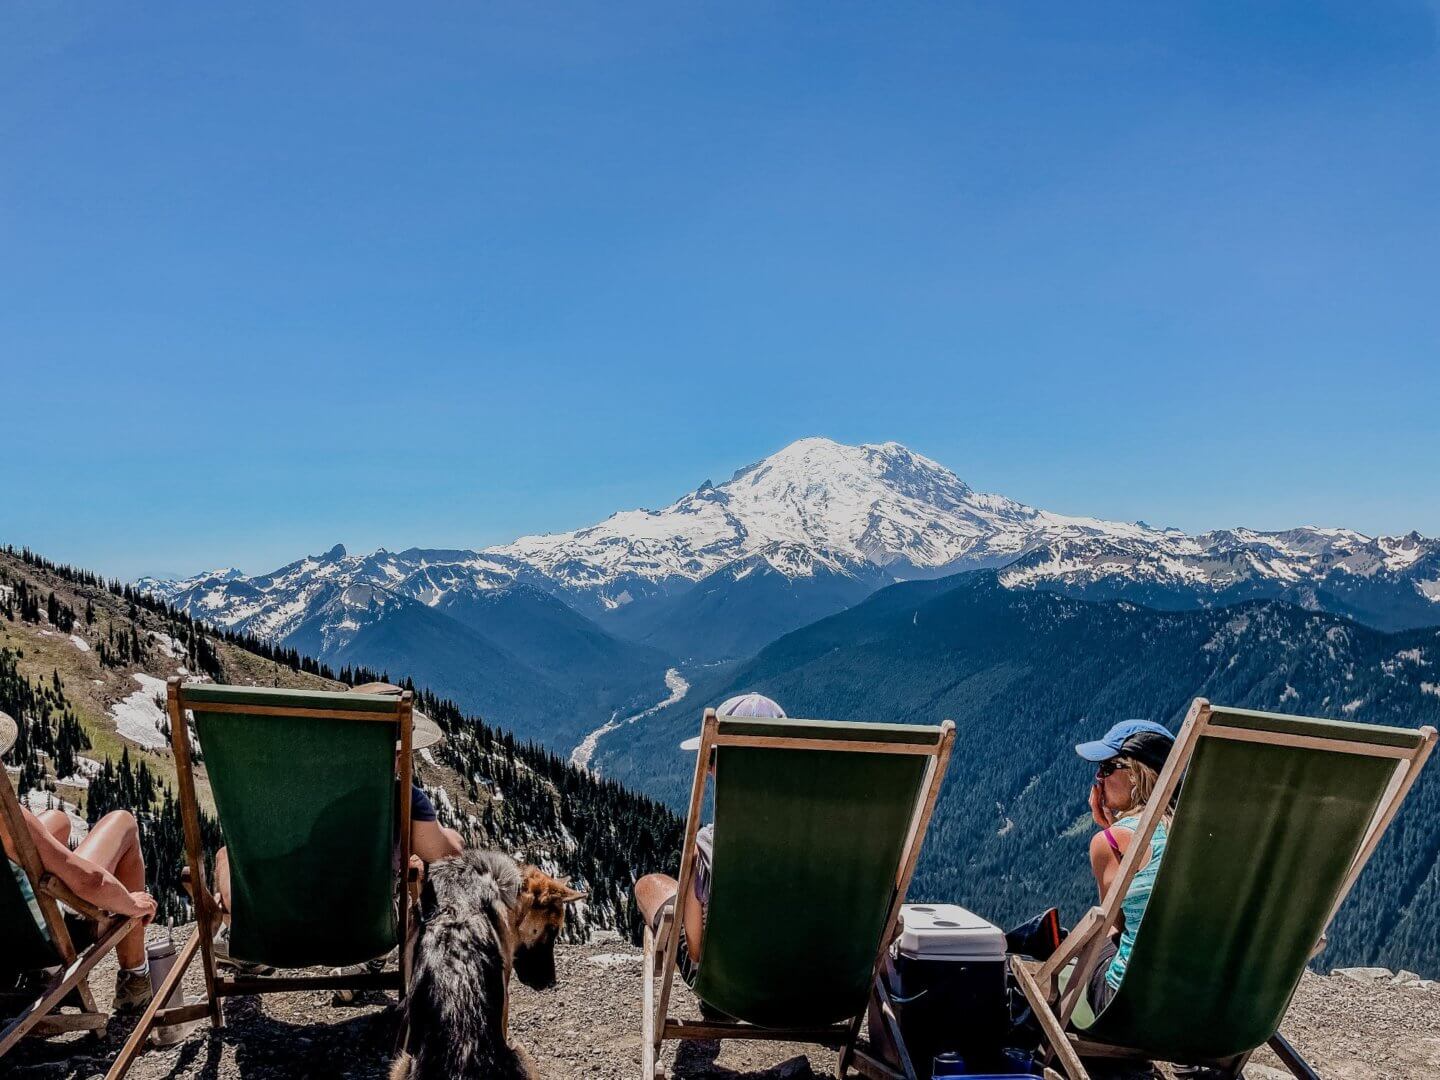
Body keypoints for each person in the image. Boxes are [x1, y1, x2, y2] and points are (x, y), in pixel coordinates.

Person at [210, 682, 464, 979]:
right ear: (397, 755)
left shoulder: (296, 791)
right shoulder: (402, 798)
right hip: (365, 932)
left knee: (226, 857)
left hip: (278, 928)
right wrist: (451, 835)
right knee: (420, 865)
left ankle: (249, 955)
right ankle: (372, 962)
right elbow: (448, 855)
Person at [0, 712, 159, 1013]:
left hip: (5, 939)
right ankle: (135, 979)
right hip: (36, 942)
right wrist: (131, 903)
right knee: (121, 822)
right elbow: (90, 882)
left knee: (56, 821)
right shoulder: (7, 818)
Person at [633, 692, 787, 984]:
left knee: (648, 886)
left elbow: (695, 951)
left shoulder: (710, 842)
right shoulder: (832, 841)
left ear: (715, 766)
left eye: (710, 760)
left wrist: (693, 870)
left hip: (729, 989)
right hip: (816, 991)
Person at [1073, 718, 1176, 1015]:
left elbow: (1115, 924)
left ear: (1137, 775)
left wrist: (1110, 832)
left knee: (1097, 936)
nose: (1098, 779)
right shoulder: (1202, 834)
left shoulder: (1113, 842)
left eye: (1107, 768)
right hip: (1206, 1008)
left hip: (1131, 1007)